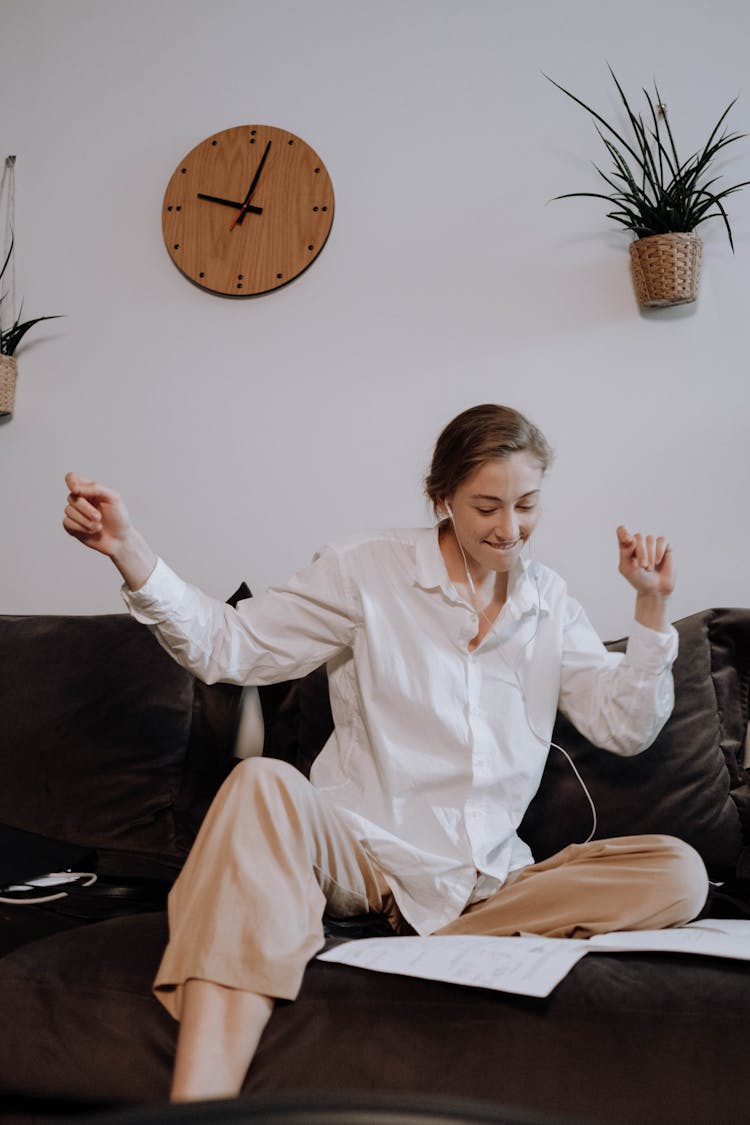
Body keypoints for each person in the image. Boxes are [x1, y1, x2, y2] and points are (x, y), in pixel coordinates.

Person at [62, 403, 708, 1103]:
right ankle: (200, 1108)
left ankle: (428, 941)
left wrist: (650, 609)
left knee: (679, 870)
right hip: (365, 856)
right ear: (442, 498)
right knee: (260, 782)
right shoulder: (364, 570)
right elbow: (231, 647)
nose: (510, 528)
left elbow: (625, 726)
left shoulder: (549, 601)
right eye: (486, 506)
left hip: (488, 883)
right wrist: (131, 551)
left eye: (527, 505)